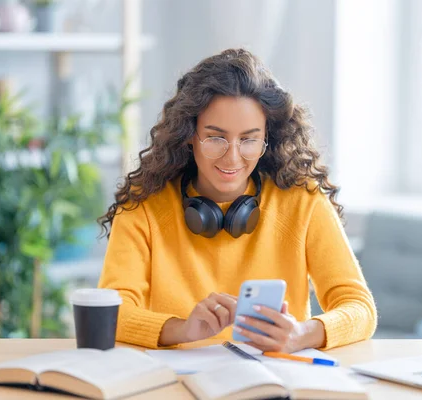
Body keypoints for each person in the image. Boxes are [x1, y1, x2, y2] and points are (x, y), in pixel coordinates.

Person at [97, 48, 377, 351]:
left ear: (267, 139)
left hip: (277, 381)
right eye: (216, 137)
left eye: (248, 139)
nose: (232, 157)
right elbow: (111, 312)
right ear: (190, 135)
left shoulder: (303, 202)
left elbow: (359, 307)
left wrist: (300, 334)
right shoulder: (144, 208)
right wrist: (183, 329)